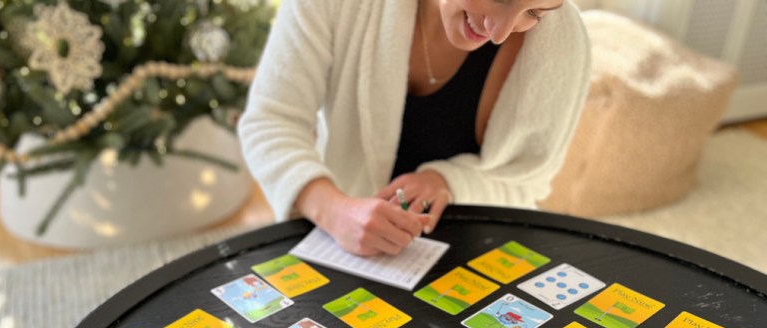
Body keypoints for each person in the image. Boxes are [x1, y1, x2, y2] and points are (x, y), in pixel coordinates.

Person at [238, 0, 590, 256]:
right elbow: (270, 121)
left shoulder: (560, 42)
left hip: (482, 257)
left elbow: (528, 182)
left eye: (534, 12)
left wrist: (447, 181)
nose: (500, 33)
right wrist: (334, 210)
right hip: (345, 249)